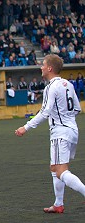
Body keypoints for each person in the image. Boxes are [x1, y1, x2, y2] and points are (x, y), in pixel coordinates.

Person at [15, 54, 85, 213]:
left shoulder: (51, 87)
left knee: (61, 171)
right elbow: (77, 108)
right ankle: (58, 204)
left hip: (60, 132)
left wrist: (25, 127)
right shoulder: (68, 84)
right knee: (55, 168)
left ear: (50, 68)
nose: (41, 67)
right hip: (71, 130)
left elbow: (45, 112)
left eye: (43, 64)